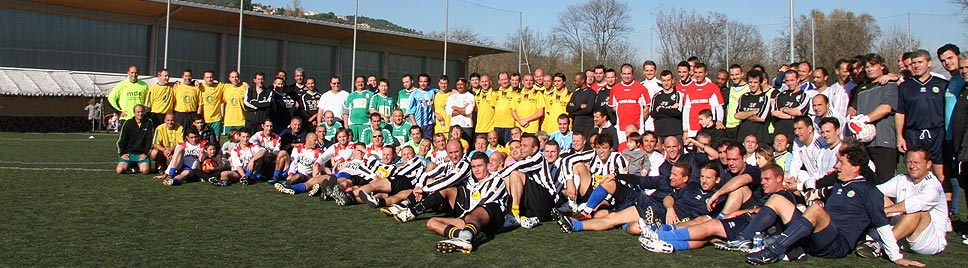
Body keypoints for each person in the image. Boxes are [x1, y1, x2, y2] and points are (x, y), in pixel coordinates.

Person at [742, 146, 922, 267]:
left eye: (841, 163)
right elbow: (814, 191)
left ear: (856, 167)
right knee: (777, 199)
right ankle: (744, 239)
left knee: (816, 210)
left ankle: (773, 251)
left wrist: (896, 257)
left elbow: (881, 223)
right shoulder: (838, 185)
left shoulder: (869, 191)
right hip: (818, 236)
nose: (836, 166)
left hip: (836, 245)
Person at [640, 163, 792, 254]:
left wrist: (740, 212)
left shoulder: (784, 195)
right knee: (707, 235)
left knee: (710, 225)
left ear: (779, 179)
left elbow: (764, 212)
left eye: (767, 179)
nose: (763, 183)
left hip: (751, 225)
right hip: (747, 221)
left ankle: (660, 236)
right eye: (762, 179)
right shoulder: (768, 194)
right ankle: (669, 245)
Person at [854, 148, 948, 257]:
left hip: (928, 242)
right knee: (877, 196)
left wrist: (883, 211)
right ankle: (867, 234)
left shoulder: (933, 185)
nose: (912, 166)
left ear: (928, 164)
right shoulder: (902, 179)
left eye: (916, 162)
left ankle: (880, 245)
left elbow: (915, 204)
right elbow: (874, 192)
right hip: (902, 238)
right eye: (909, 162)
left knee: (916, 210)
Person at [419, 152, 508, 254]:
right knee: (432, 222)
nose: (476, 170)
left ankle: (464, 238)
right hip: (471, 219)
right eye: (473, 166)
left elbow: (486, 201)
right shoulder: (473, 185)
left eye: (479, 166)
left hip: (493, 219)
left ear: (487, 166)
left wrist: (464, 217)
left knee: (479, 210)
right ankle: (463, 235)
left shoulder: (496, 180)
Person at [896, 49, 948, 184]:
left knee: (941, 176)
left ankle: (943, 204)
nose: (916, 66)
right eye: (913, 63)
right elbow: (900, 113)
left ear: (929, 63)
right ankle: (917, 204)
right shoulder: (905, 86)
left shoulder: (942, 84)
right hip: (914, 133)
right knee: (916, 175)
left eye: (920, 62)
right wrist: (900, 136)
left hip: (937, 133)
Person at [850, 53, 899, 184]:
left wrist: (864, 119)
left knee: (885, 180)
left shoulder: (889, 84)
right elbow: (852, 108)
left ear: (882, 66)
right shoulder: (861, 88)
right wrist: (851, 119)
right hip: (863, 142)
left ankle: (888, 205)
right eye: (867, 67)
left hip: (883, 141)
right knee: (866, 180)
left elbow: (886, 108)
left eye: (873, 65)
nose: (869, 69)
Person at [610, 64, 650, 143]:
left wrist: (641, 120)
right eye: (624, 74)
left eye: (629, 74)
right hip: (622, 128)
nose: (626, 76)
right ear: (621, 74)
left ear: (633, 74)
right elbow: (613, 107)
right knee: (623, 149)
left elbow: (647, 107)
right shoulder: (615, 88)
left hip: (637, 127)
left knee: (638, 150)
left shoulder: (641, 88)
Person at [682, 63, 725, 138]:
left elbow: (719, 107)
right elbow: (686, 110)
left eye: (700, 72)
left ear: (706, 73)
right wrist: (685, 130)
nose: (697, 75)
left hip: (708, 129)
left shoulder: (713, 88)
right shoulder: (689, 89)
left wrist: (719, 121)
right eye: (696, 72)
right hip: (693, 128)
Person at [771, 70, 816, 141]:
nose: (789, 83)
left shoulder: (803, 95)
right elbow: (774, 112)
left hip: (795, 135)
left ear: (798, 80)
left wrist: (784, 109)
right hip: (780, 133)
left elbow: (798, 112)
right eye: (787, 81)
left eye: (792, 80)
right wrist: (791, 116)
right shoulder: (780, 95)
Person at [115, 104, 153, 174]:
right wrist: (122, 153)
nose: (140, 114)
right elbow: (121, 140)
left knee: (145, 171)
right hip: (129, 154)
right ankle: (131, 165)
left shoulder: (149, 123)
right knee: (119, 170)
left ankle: (137, 165)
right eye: (138, 112)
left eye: (142, 112)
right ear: (134, 113)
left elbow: (150, 140)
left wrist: (145, 154)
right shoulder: (128, 123)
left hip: (141, 154)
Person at [651, 70, 685, 139]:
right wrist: (670, 110)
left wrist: (661, 109)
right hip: (660, 133)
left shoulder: (678, 94)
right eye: (664, 80)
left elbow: (677, 113)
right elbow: (653, 114)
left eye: (668, 80)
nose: (666, 83)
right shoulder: (656, 96)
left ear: (672, 80)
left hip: (675, 133)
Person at [724, 64, 750, 140]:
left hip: (741, 126)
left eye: (737, 74)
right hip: (729, 126)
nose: (734, 77)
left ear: (742, 74)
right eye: (732, 75)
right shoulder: (729, 90)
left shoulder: (748, 88)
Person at [407, 74, 436, 139]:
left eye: (425, 81)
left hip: (429, 125)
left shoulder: (432, 91)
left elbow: (443, 91)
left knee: (427, 143)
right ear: (418, 82)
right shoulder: (414, 94)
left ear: (428, 82)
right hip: (418, 124)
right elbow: (410, 112)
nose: (423, 83)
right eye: (421, 81)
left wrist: (453, 91)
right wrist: (415, 125)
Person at [567, 72, 596, 137]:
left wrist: (575, 111)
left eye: (576, 81)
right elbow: (568, 109)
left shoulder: (591, 93)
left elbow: (588, 109)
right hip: (577, 124)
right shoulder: (575, 94)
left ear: (582, 80)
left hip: (587, 124)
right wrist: (580, 106)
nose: (574, 83)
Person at [446, 77, 475, 141]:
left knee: (466, 147)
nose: (460, 86)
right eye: (458, 84)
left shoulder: (470, 96)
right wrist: (463, 109)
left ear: (466, 85)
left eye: (461, 84)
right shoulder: (451, 97)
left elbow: (468, 111)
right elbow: (448, 111)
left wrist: (455, 108)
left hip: (466, 126)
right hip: (454, 126)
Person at [493, 72, 518, 143]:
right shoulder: (495, 92)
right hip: (497, 125)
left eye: (506, 79)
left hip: (510, 125)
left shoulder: (515, 92)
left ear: (509, 80)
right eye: (502, 79)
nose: (504, 81)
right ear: (499, 81)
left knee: (509, 146)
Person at [198, 70, 225, 136]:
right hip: (204, 119)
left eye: (211, 77)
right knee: (204, 139)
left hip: (216, 119)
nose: (209, 79)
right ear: (204, 78)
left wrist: (243, 83)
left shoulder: (219, 86)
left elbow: (232, 85)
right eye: (207, 77)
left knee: (216, 139)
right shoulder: (200, 86)